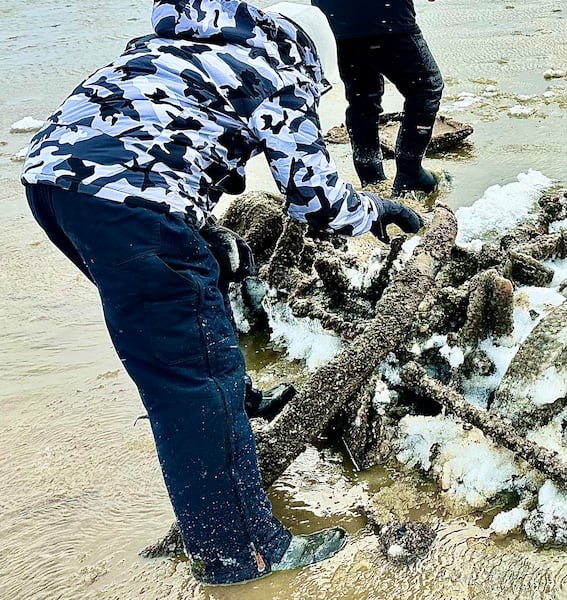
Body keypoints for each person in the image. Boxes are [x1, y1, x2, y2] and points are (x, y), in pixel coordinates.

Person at [21, 0, 421, 585]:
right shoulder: (275, 71)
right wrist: (376, 209)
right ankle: (242, 555)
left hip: (55, 192)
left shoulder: (167, 51)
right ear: (305, 55)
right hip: (140, 208)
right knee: (192, 384)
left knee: (203, 275)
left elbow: (144, 141)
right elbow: (314, 199)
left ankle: (240, 395)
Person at [313, 0, 444, 195]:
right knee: (426, 88)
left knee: (362, 97)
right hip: (386, 19)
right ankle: (410, 173)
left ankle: (370, 175)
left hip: (333, 24)